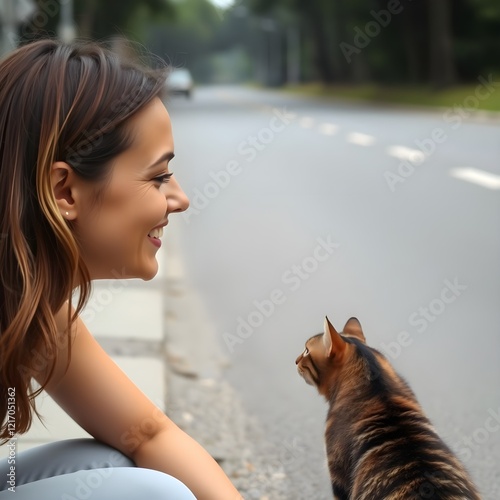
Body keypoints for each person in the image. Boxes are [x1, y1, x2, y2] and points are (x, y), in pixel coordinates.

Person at [0, 38, 242, 499]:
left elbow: (144, 433)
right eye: (158, 177)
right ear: (64, 192)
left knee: (116, 463)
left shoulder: (30, 299)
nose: (180, 199)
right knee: (153, 495)